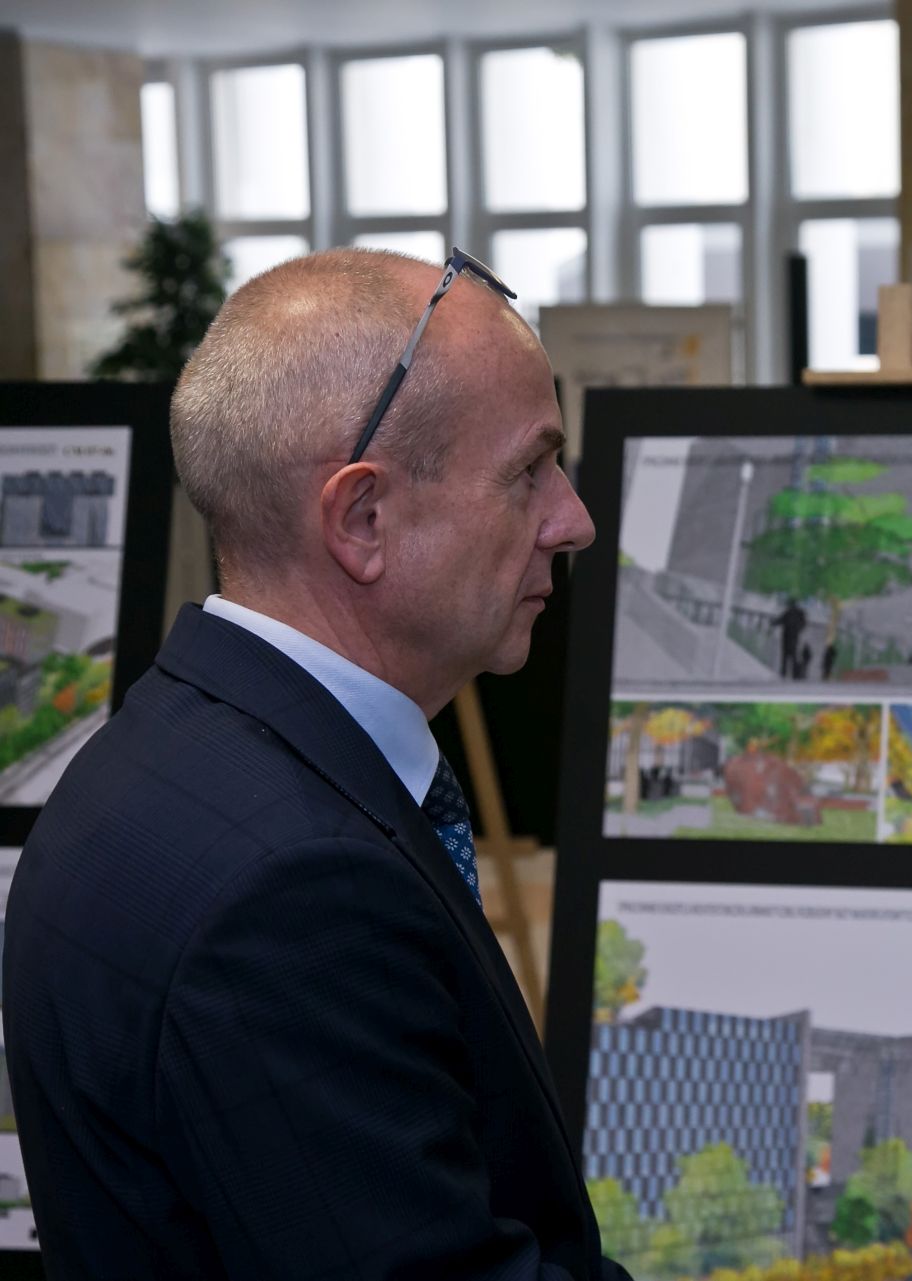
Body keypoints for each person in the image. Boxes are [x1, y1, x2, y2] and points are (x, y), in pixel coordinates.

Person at [2, 249, 631, 1279]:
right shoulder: (296, 892)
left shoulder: (159, 750)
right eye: (530, 471)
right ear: (363, 520)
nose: (574, 521)